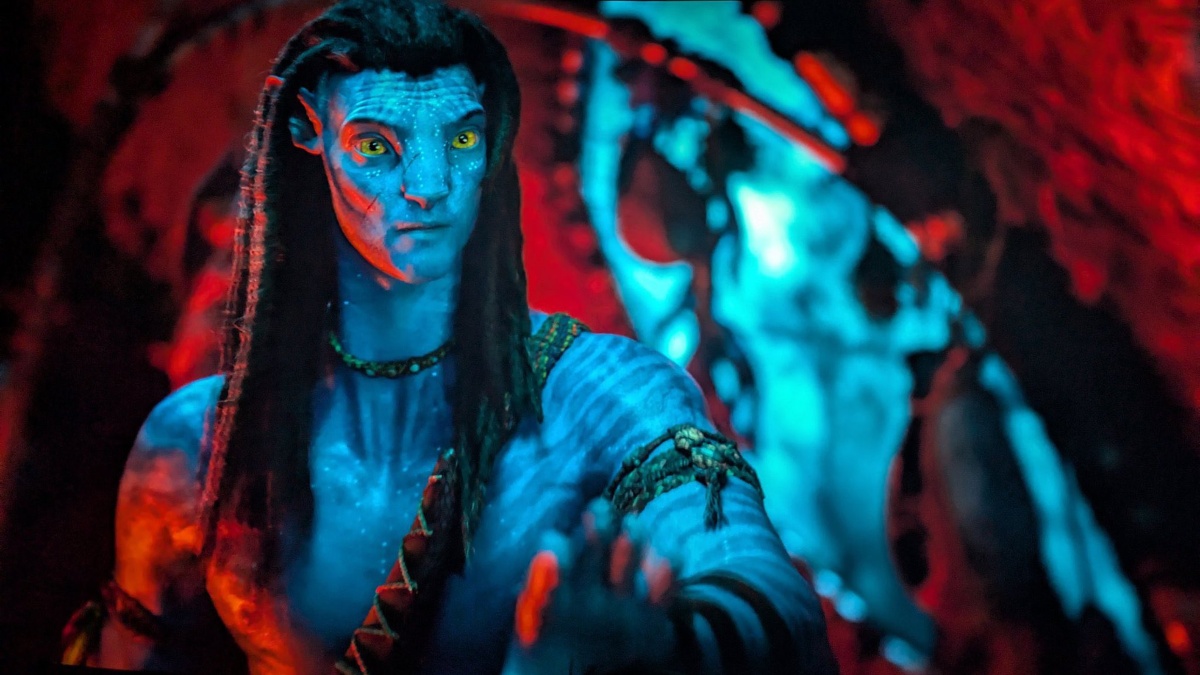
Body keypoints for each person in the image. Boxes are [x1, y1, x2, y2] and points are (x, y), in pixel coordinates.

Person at [61, 1, 836, 673]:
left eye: (460, 141)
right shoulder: (191, 447)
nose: (427, 186)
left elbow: (777, 604)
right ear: (310, 145)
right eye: (377, 146)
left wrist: (661, 643)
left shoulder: (600, 393)